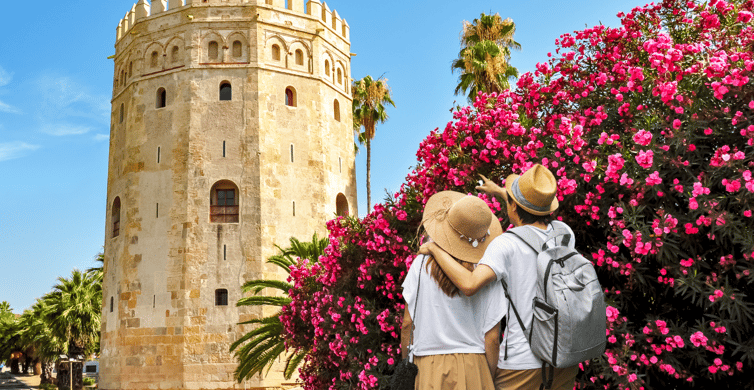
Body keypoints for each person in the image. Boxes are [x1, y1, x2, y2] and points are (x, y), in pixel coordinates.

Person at [420, 164, 580, 390]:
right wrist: (499, 191)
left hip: (522, 362)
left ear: (513, 206)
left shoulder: (506, 244)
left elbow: (469, 284)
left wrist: (435, 249)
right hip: (564, 354)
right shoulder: (564, 233)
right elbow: (533, 210)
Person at [400, 191, 506, 389]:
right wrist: (486, 375)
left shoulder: (420, 264)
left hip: (427, 366)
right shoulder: (485, 272)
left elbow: (407, 324)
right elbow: (492, 339)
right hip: (474, 366)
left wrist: (406, 361)